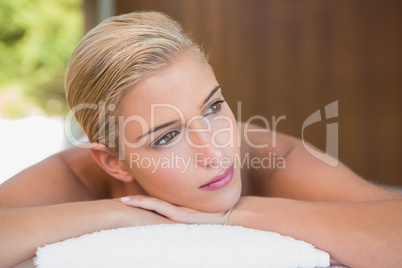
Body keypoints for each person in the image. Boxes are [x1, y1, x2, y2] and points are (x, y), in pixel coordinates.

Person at [0, 11, 401, 268]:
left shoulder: (272, 157)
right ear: (114, 161)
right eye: (168, 136)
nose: (215, 152)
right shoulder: (76, 177)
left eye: (212, 108)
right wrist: (120, 214)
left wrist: (232, 216)